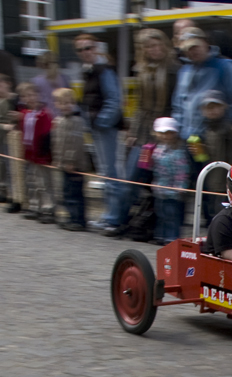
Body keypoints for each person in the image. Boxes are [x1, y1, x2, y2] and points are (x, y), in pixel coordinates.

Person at [111, 28, 180, 237]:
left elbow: (176, 103)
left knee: (161, 184)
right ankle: (119, 220)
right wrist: (133, 131)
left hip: (167, 129)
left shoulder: (174, 69)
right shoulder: (141, 70)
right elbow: (140, 104)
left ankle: (157, 228)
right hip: (144, 131)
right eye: (149, 46)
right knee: (132, 178)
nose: (155, 49)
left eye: (158, 45)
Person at [76, 34, 124, 231]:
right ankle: (109, 214)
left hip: (105, 128)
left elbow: (114, 100)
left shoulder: (104, 70)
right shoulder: (89, 71)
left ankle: (114, 217)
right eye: (80, 50)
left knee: (111, 172)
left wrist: (101, 122)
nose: (85, 52)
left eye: (88, 48)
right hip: (95, 127)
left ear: (95, 48)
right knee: (104, 172)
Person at [172, 27, 232, 142]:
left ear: (206, 42)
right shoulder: (184, 71)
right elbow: (178, 105)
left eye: (195, 46)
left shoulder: (226, 66)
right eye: (187, 49)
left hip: (216, 136)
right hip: (187, 138)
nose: (192, 51)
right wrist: (178, 130)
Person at [52, 88, 90, 231]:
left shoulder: (76, 121)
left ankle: (78, 220)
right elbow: (57, 142)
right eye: (62, 103)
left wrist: (69, 161)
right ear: (57, 104)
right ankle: (70, 216)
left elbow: (74, 143)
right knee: (66, 191)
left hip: (74, 165)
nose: (66, 106)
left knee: (75, 193)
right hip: (63, 164)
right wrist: (57, 159)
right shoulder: (59, 121)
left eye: (69, 103)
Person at [195, 89, 232, 223]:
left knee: (219, 209)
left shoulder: (228, 128)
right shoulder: (203, 128)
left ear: (224, 107)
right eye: (208, 108)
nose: (212, 111)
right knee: (207, 208)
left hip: (223, 176)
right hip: (207, 174)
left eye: (216, 107)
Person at [150, 117, 190, 245]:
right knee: (161, 214)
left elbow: (182, 171)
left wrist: (181, 186)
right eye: (162, 133)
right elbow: (155, 167)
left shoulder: (179, 152)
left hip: (173, 191)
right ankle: (160, 235)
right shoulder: (157, 149)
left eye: (169, 133)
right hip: (159, 188)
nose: (165, 136)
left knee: (172, 215)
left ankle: (172, 238)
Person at [18, 82, 53, 222]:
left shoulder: (44, 114)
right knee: (31, 181)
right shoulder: (25, 114)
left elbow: (46, 134)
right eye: (27, 96)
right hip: (29, 153)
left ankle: (48, 208)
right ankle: (34, 206)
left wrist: (45, 153)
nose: (30, 98)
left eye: (32, 95)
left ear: (38, 96)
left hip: (41, 153)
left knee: (43, 183)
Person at [31, 52, 70, 118]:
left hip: (62, 118)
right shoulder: (36, 81)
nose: (51, 68)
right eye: (47, 66)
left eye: (54, 64)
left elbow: (70, 100)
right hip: (44, 119)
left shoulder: (64, 79)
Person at [0, 75, 18, 208]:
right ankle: (5, 192)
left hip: (12, 139)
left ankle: (13, 195)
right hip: (3, 138)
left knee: (12, 167)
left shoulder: (14, 99)